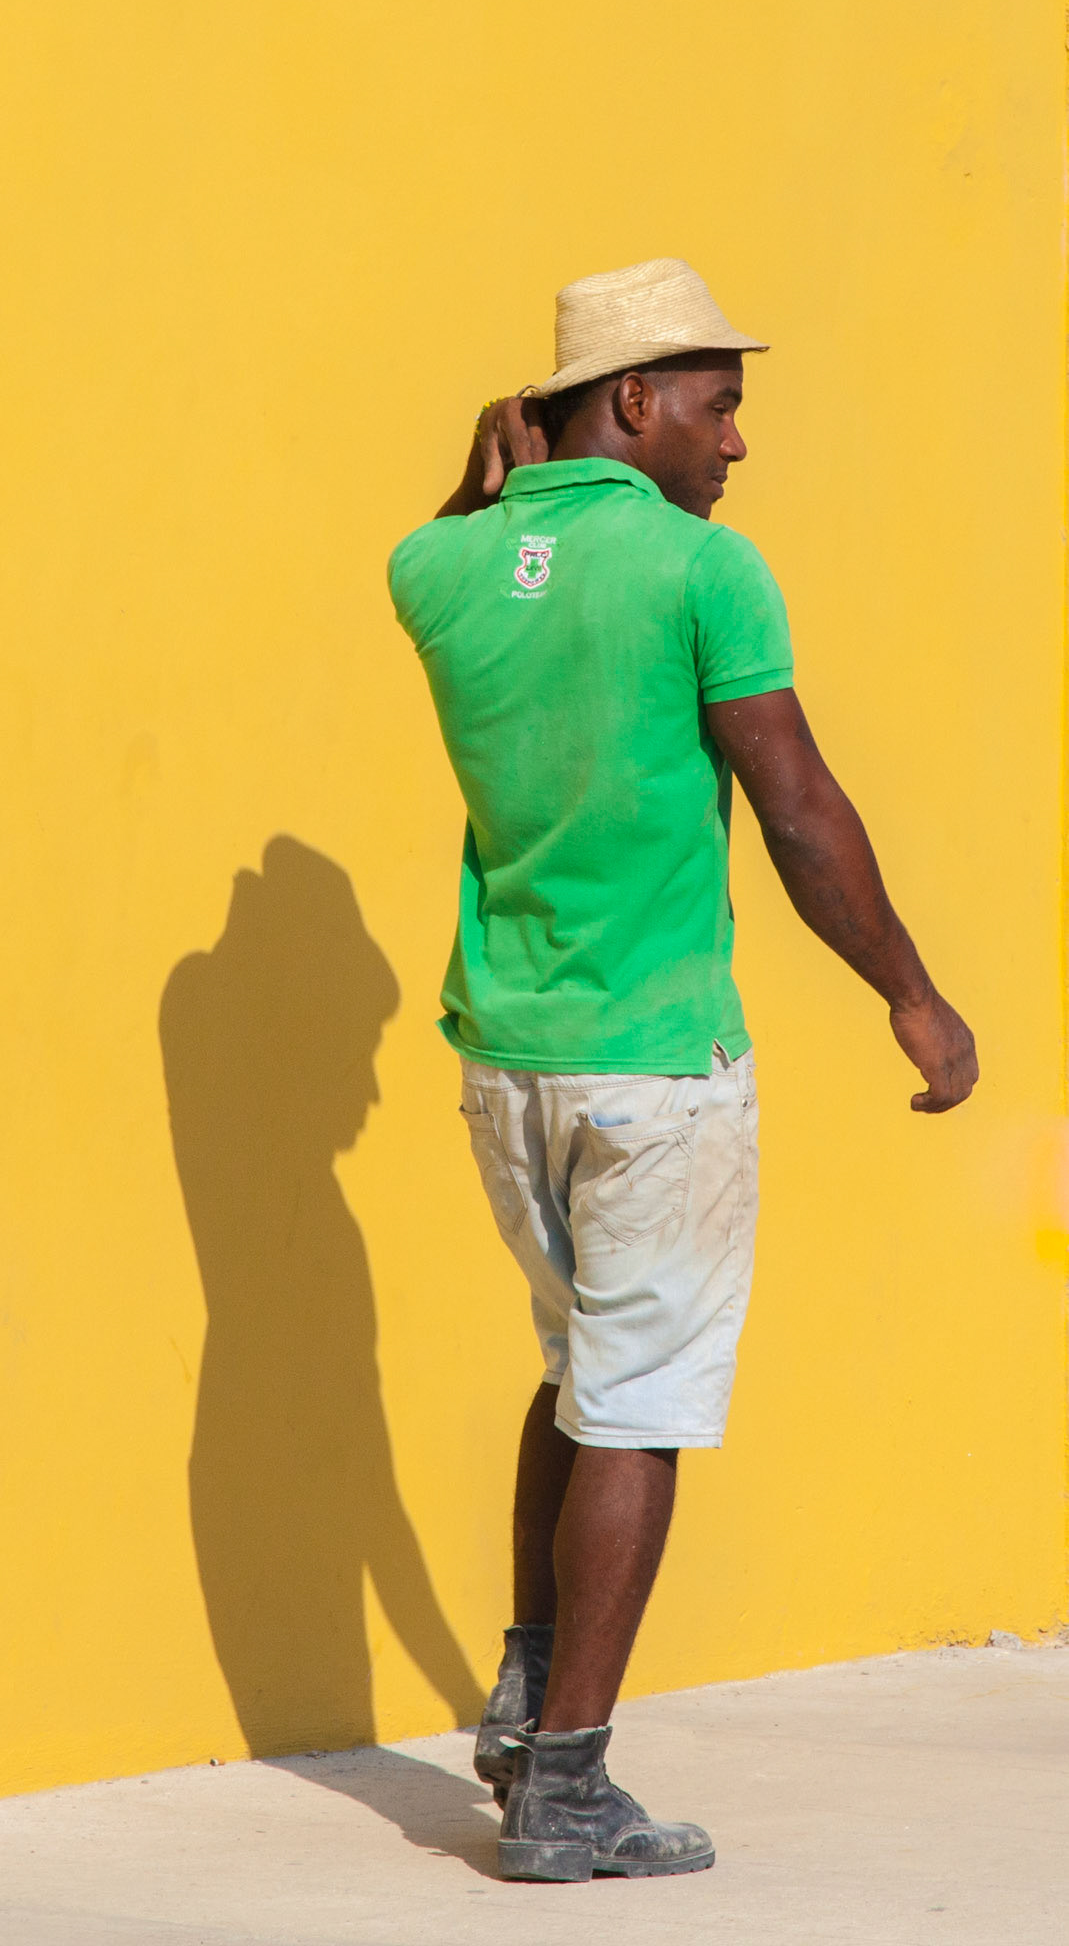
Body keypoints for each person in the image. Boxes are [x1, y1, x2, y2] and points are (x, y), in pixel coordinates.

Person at [387, 257, 978, 1885]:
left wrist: (493, 463)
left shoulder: (433, 569)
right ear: (632, 399)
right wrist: (909, 996)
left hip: (506, 1059)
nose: (735, 441)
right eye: (716, 404)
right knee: (635, 1413)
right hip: (655, 1066)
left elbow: (458, 530)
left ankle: (521, 1694)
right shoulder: (703, 572)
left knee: (575, 1372)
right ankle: (567, 1781)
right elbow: (793, 803)